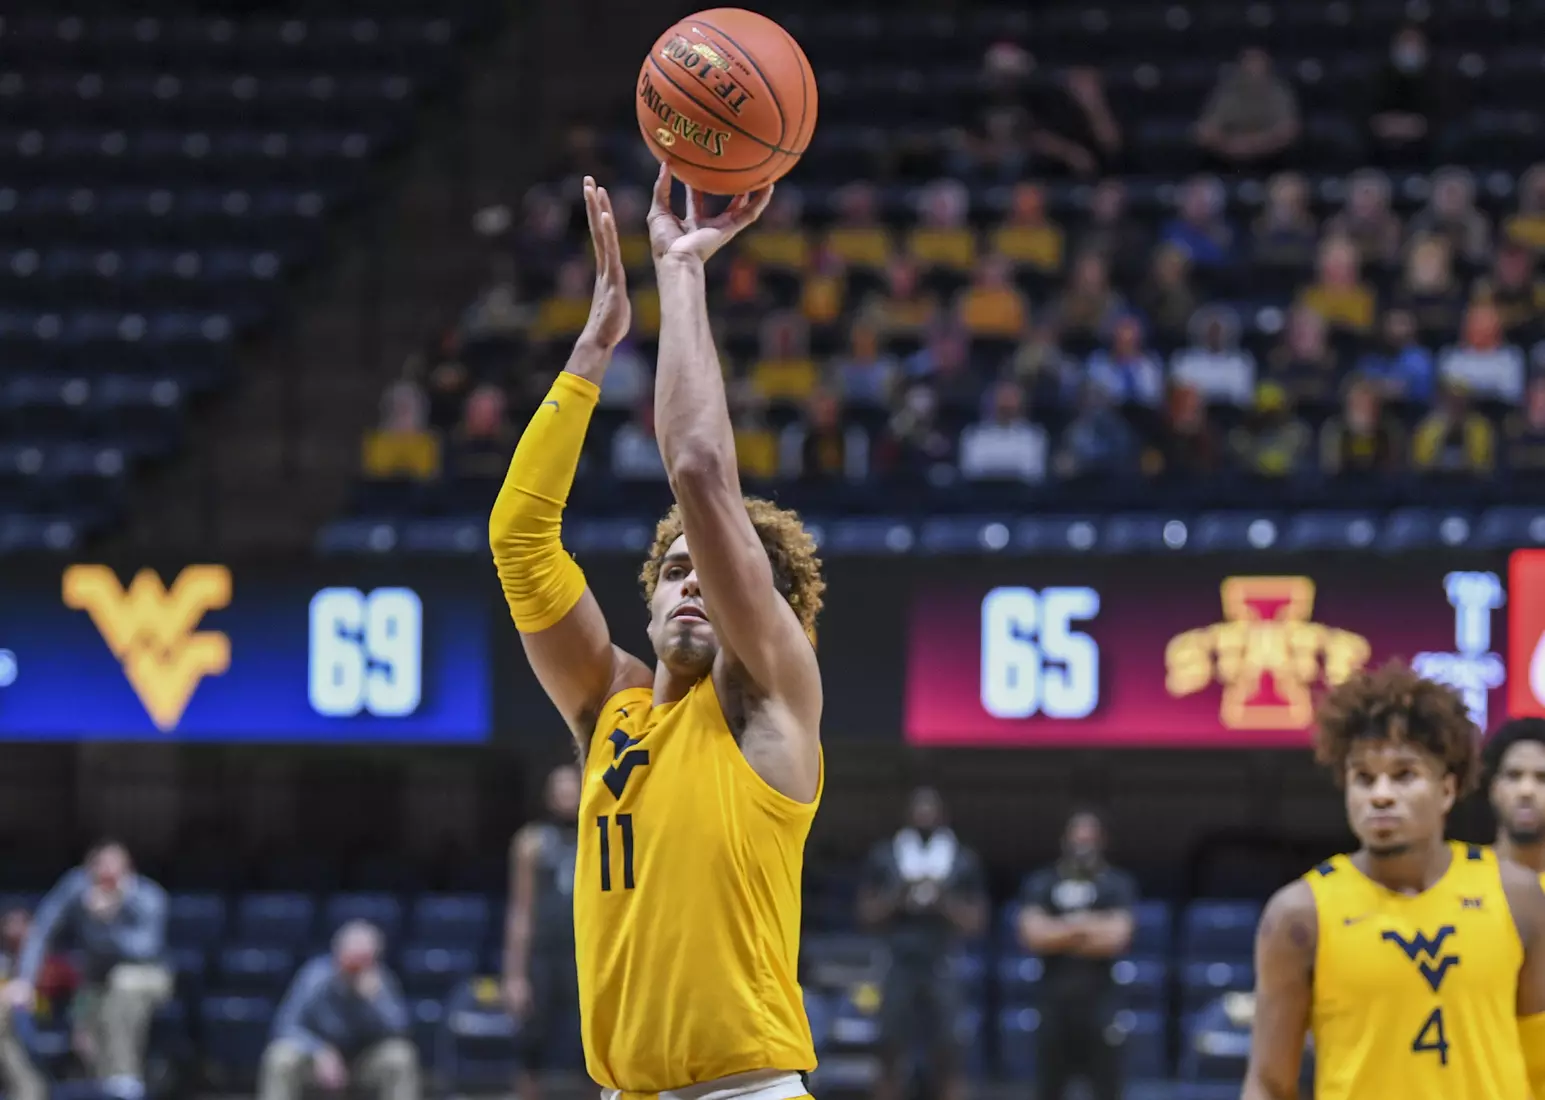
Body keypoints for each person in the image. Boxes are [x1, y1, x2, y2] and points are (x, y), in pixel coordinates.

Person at [489, 171, 823, 1100]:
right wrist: (591, 353)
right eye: (673, 569)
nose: (692, 583)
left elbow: (699, 467)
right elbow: (519, 541)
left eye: (712, 572)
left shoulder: (772, 702)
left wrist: (680, 269)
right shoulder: (611, 711)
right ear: (647, 602)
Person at [1242, 661, 1545, 1100]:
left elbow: (1540, 1064)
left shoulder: (1518, 897)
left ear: (1446, 789)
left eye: (1404, 775)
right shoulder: (1298, 915)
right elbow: (1269, 1084)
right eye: (1363, 778)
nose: (1380, 794)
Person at [10, 841, 170, 1098]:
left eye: (113, 872)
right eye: (99, 871)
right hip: (94, 981)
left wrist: (108, 921)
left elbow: (146, 949)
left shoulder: (148, 896)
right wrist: (25, 980)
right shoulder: (78, 886)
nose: (105, 878)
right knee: (83, 1017)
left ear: (128, 871)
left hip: (147, 976)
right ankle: (102, 1083)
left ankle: (124, 1079)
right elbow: (42, 931)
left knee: (122, 985)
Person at [857, 788, 987, 1100]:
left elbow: (977, 922)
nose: (924, 815)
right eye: (919, 808)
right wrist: (897, 896)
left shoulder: (962, 859)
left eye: (931, 809)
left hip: (943, 962)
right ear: (906, 814)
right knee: (888, 1050)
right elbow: (866, 915)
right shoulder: (885, 855)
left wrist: (943, 901)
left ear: (943, 816)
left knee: (949, 1052)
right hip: (898, 961)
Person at [1017, 810, 1137, 1100]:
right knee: (1049, 1088)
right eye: (1077, 837)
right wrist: (1087, 926)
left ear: (1102, 841)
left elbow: (1117, 937)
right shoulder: (1042, 882)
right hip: (1053, 1003)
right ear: (1065, 840)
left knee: (1107, 1089)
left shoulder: (1117, 884)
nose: (1083, 844)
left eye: (1090, 837)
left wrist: (1060, 928)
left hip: (1100, 1003)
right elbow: (1032, 935)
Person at [258, 921, 420, 1100]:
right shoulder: (314, 977)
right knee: (279, 1057)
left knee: (401, 1056)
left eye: (364, 960)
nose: (355, 968)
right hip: (317, 1061)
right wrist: (318, 1050)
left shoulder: (382, 980)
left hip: (363, 1061)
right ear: (337, 954)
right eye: (351, 960)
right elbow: (285, 1025)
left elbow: (401, 1029)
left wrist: (374, 1002)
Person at [504, 764, 583, 1099]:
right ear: (549, 796)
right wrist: (514, 975)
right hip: (543, 954)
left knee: (593, 1046)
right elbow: (520, 910)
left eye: (571, 788)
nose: (566, 795)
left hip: (585, 954)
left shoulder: (599, 833)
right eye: (559, 789)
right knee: (531, 1047)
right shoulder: (531, 841)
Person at [1488, 719, 1545, 880]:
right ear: (1494, 788)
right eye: (1514, 776)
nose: (1526, 790)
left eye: (1542, 778)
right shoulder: (1456, 873)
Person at [0, 910, 47, 1100]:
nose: (16, 930)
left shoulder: (48, 960)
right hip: (9, 1034)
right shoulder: (3, 961)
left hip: (42, 1020)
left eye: (22, 924)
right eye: (10, 924)